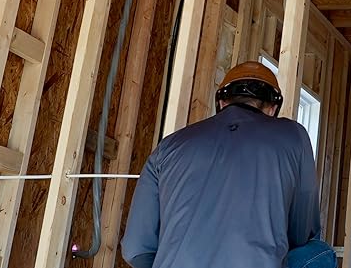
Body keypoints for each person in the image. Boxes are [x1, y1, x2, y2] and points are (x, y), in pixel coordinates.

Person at [121, 61, 332, 268]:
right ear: (272, 108)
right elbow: (301, 232)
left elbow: (135, 249)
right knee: (319, 253)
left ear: (222, 103)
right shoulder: (293, 136)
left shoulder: (169, 146)